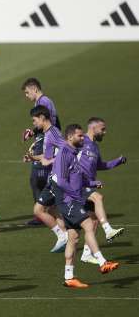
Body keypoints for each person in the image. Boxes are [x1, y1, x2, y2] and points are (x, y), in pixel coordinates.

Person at [54, 124, 119, 288]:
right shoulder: (64, 153)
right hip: (68, 200)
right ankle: (102, 262)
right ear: (70, 137)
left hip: (72, 199)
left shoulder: (74, 153)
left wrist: (92, 183)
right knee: (89, 224)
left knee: (73, 237)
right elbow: (61, 181)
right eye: (80, 136)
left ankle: (69, 277)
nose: (83, 138)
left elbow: (77, 178)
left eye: (83, 136)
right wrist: (75, 196)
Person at [78, 117, 126, 263]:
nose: (105, 132)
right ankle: (108, 230)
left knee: (93, 221)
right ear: (93, 128)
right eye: (102, 129)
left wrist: (117, 161)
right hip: (79, 185)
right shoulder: (81, 142)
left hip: (89, 185)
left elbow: (100, 165)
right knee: (98, 198)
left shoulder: (95, 147)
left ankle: (86, 253)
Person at [25, 106, 68, 252]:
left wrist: (51, 161)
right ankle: (68, 238)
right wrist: (33, 158)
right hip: (54, 177)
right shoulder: (48, 133)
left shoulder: (53, 133)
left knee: (38, 210)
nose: (34, 123)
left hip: (58, 177)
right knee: (52, 210)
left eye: (34, 120)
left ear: (43, 118)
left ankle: (62, 236)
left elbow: (68, 151)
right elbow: (46, 157)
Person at [21, 78, 61, 226]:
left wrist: (38, 137)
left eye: (27, 92)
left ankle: (43, 214)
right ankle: (52, 211)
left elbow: (48, 124)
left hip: (45, 144)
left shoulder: (43, 102)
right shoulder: (44, 102)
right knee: (41, 179)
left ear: (35, 89)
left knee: (38, 179)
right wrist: (32, 132)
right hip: (44, 141)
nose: (26, 96)